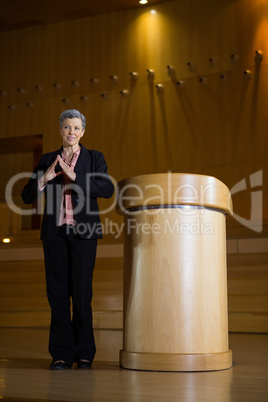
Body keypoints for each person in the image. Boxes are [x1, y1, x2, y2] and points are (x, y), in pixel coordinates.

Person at [21, 109, 114, 370]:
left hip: (84, 235)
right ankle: (61, 354)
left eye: (76, 128)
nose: (71, 132)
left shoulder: (95, 158)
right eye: (66, 127)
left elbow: (107, 188)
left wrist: (74, 176)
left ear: (82, 132)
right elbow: (26, 196)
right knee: (58, 295)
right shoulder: (47, 159)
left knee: (82, 294)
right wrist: (46, 177)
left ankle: (84, 353)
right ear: (60, 131)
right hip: (55, 235)